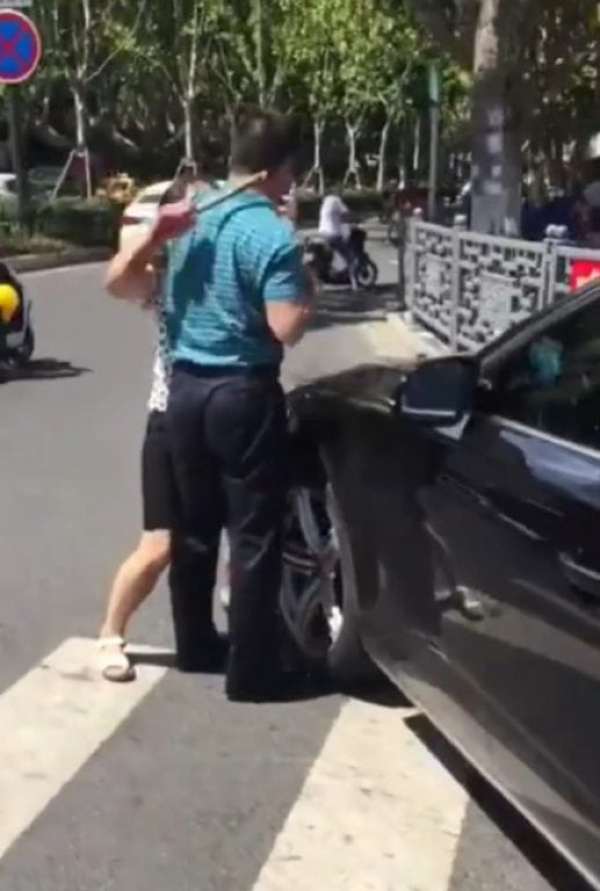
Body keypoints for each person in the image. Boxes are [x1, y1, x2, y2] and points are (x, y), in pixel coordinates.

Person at [105, 106, 316, 702]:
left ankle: (196, 646)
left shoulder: (191, 216)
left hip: (184, 393)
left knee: (194, 529)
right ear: (280, 170)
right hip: (242, 392)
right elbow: (285, 327)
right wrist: (307, 281)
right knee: (252, 535)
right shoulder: (272, 234)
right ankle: (252, 672)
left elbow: (125, 281)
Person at [98, 178, 226, 682]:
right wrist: (155, 235)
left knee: (229, 536)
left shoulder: (231, 269)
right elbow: (116, 282)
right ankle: (111, 634)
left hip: (221, 417)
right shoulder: (165, 277)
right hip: (169, 420)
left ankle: (209, 635)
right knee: (159, 546)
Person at [318, 192, 356, 285]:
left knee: (332, 254)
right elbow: (346, 214)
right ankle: (354, 283)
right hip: (333, 233)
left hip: (323, 232)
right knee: (350, 257)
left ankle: (337, 272)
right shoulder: (337, 200)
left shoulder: (325, 202)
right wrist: (351, 222)